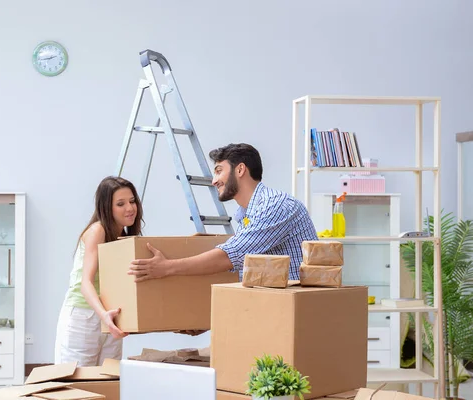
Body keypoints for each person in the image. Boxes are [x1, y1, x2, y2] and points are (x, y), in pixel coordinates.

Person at [127, 143, 318, 282]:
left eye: (219, 171)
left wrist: (167, 268)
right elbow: (247, 269)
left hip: (294, 313)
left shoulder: (275, 206)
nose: (213, 181)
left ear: (240, 169)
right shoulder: (246, 214)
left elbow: (228, 257)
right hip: (271, 308)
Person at [54, 176, 144, 366]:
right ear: (106, 207)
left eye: (132, 201)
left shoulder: (124, 236)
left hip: (110, 314)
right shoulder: (98, 230)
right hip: (84, 315)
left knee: (108, 382)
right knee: (76, 383)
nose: (129, 208)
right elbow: (86, 282)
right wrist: (104, 315)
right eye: (120, 204)